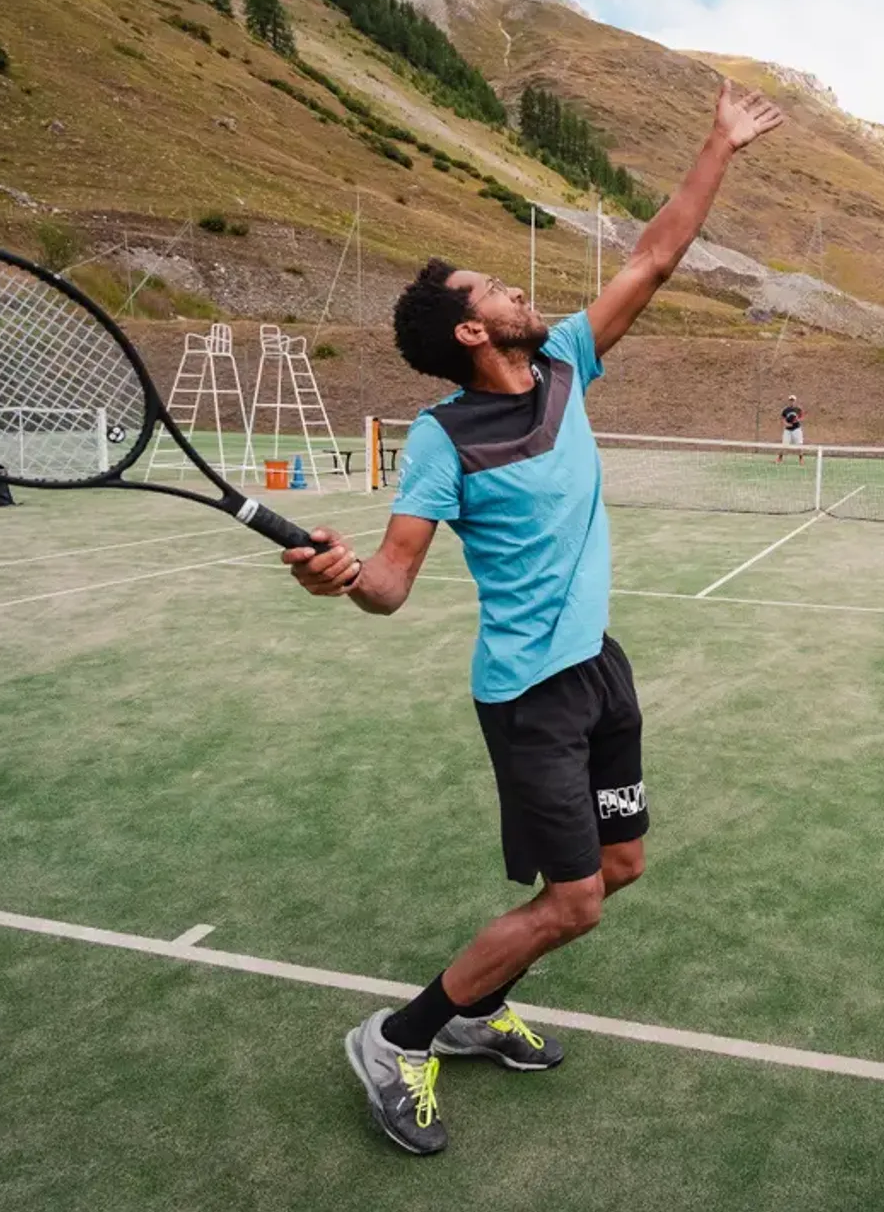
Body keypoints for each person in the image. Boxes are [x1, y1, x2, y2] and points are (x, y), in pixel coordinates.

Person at [284, 81, 786, 1156]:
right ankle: (401, 1037)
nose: (520, 292)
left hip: (600, 669)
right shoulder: (440, 438)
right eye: (496, 290)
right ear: (472, 330)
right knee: (573, 904)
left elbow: (651, 258)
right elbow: (391, 583)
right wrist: (337, 575)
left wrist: (716, 148)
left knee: (618, 869)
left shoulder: (564, 364)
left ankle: (468, 1011)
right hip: (527, 697)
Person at [777, 394, 806, 463]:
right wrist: (786, 424)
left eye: (793, 400)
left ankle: (801, 459)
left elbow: (802, 417)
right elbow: (782, 418)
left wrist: (798, 420)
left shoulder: (798, 409)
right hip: (787, 430)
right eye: (790, 400)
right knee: (784, 445)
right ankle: (779, 458)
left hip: (796, 429)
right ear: (789, 401)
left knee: (799, 444)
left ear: (795, 401)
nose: (792, 402)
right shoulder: (786, 410)